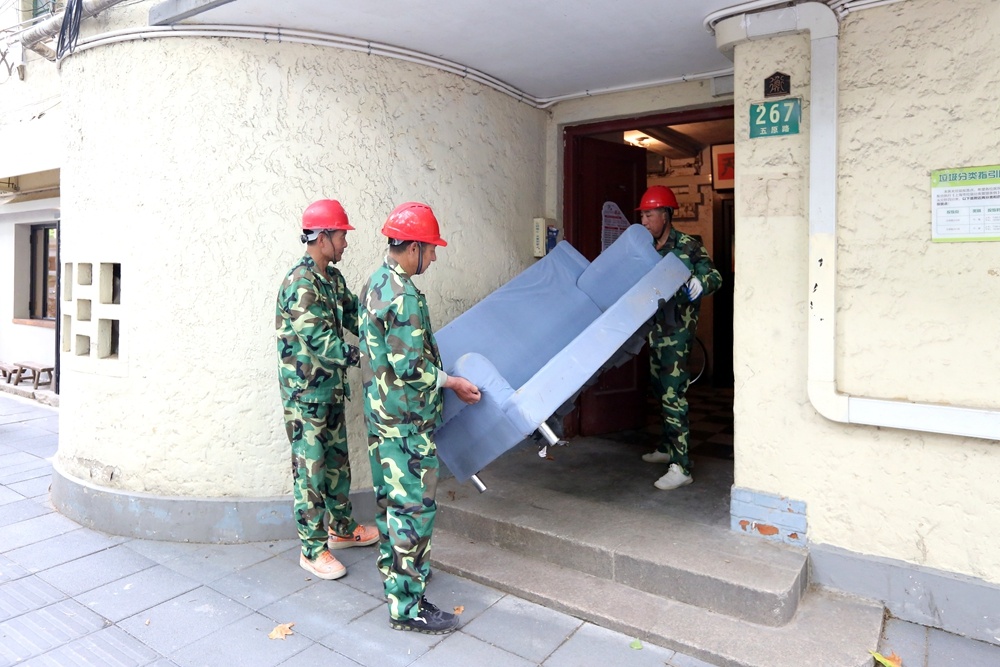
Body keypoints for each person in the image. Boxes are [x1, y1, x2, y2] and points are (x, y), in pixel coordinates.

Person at [359, 201, 481, 634]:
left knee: (391, 505)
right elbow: (411, 367)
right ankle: (408, 607)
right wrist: (452, 382)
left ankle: (397, 577)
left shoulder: (376, 281)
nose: (433, 257)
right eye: (430, 249)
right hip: (406, 425)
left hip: (382, 416)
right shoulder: (404, 295)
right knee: (413, 510)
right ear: (411, 247)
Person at [276, 199, 378, 581]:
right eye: (341, 236)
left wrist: (385, 334)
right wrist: (367, 357)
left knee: (337, 464)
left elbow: (356, 316)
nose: (346, 243)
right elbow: (321, 339)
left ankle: (342, 529)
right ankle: (312, 549)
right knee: (311, 471)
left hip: (330, 390)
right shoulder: (300, 284)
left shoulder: (332, 280)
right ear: (322, 238)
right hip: (306, 397)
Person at [637, 185, 722, 491]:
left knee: (673, 396)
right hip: (654, 333)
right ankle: (666, 447)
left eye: (649, 215)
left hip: (677, 335)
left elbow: (715, 276)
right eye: (643, 215)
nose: (644, 221)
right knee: (660, 391)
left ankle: (681, 466)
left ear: (666, 214)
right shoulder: (645, 249)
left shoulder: (688, 245)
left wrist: (701, 282)